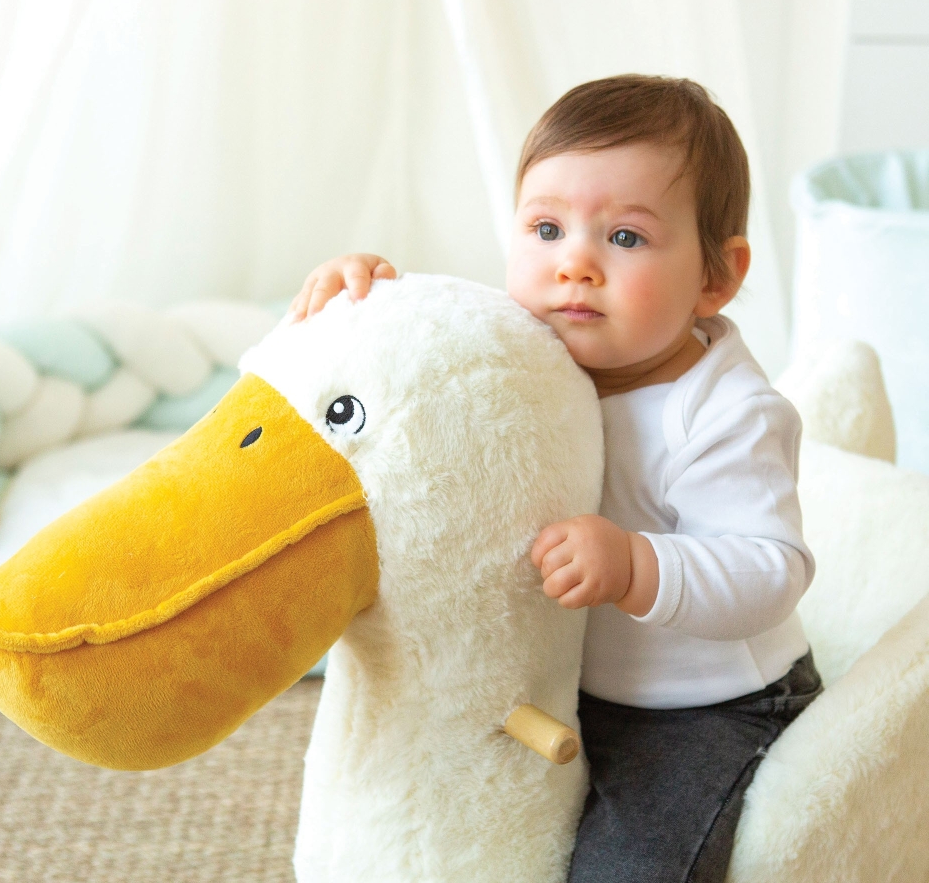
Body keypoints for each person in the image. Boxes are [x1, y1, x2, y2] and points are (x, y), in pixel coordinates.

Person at [289, 74, 822, 883]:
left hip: (704, 708)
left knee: (628, 862)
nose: (574, 263)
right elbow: (431, 359)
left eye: (627, 239)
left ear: (717, 275)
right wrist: (370, 295)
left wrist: (640, 563)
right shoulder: (533, 347)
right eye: (545, 227)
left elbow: (771, 570)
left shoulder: (725, 412)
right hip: (567, 677)